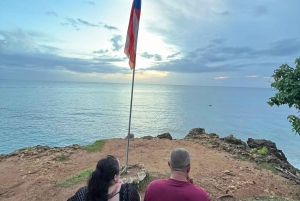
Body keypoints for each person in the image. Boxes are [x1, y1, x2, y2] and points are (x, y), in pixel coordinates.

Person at [144, 148, 210, 201]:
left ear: (169, 164)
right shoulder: (201, 195)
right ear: (189, 168)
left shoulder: (153, 187)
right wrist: (193, 189)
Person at [68, 155, 140, 201]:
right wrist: (122, 187)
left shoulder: (83, 193)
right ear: (115, 177)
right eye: (119, 169)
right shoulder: (127, 192)